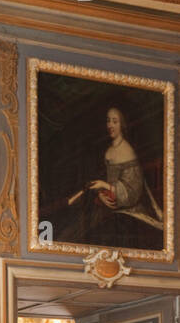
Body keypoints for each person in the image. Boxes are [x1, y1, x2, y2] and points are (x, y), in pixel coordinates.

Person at [67, 106, 163, 250]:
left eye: (115, 121)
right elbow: (101, 179)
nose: (110, 125)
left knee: (102, 231)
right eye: (108, 121)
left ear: (122, 125)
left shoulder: (127, 151)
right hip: (110, 202)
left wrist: (105, 187)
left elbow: (133, 193)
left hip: (128, 209)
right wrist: (101, 193)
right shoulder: (108, 149)